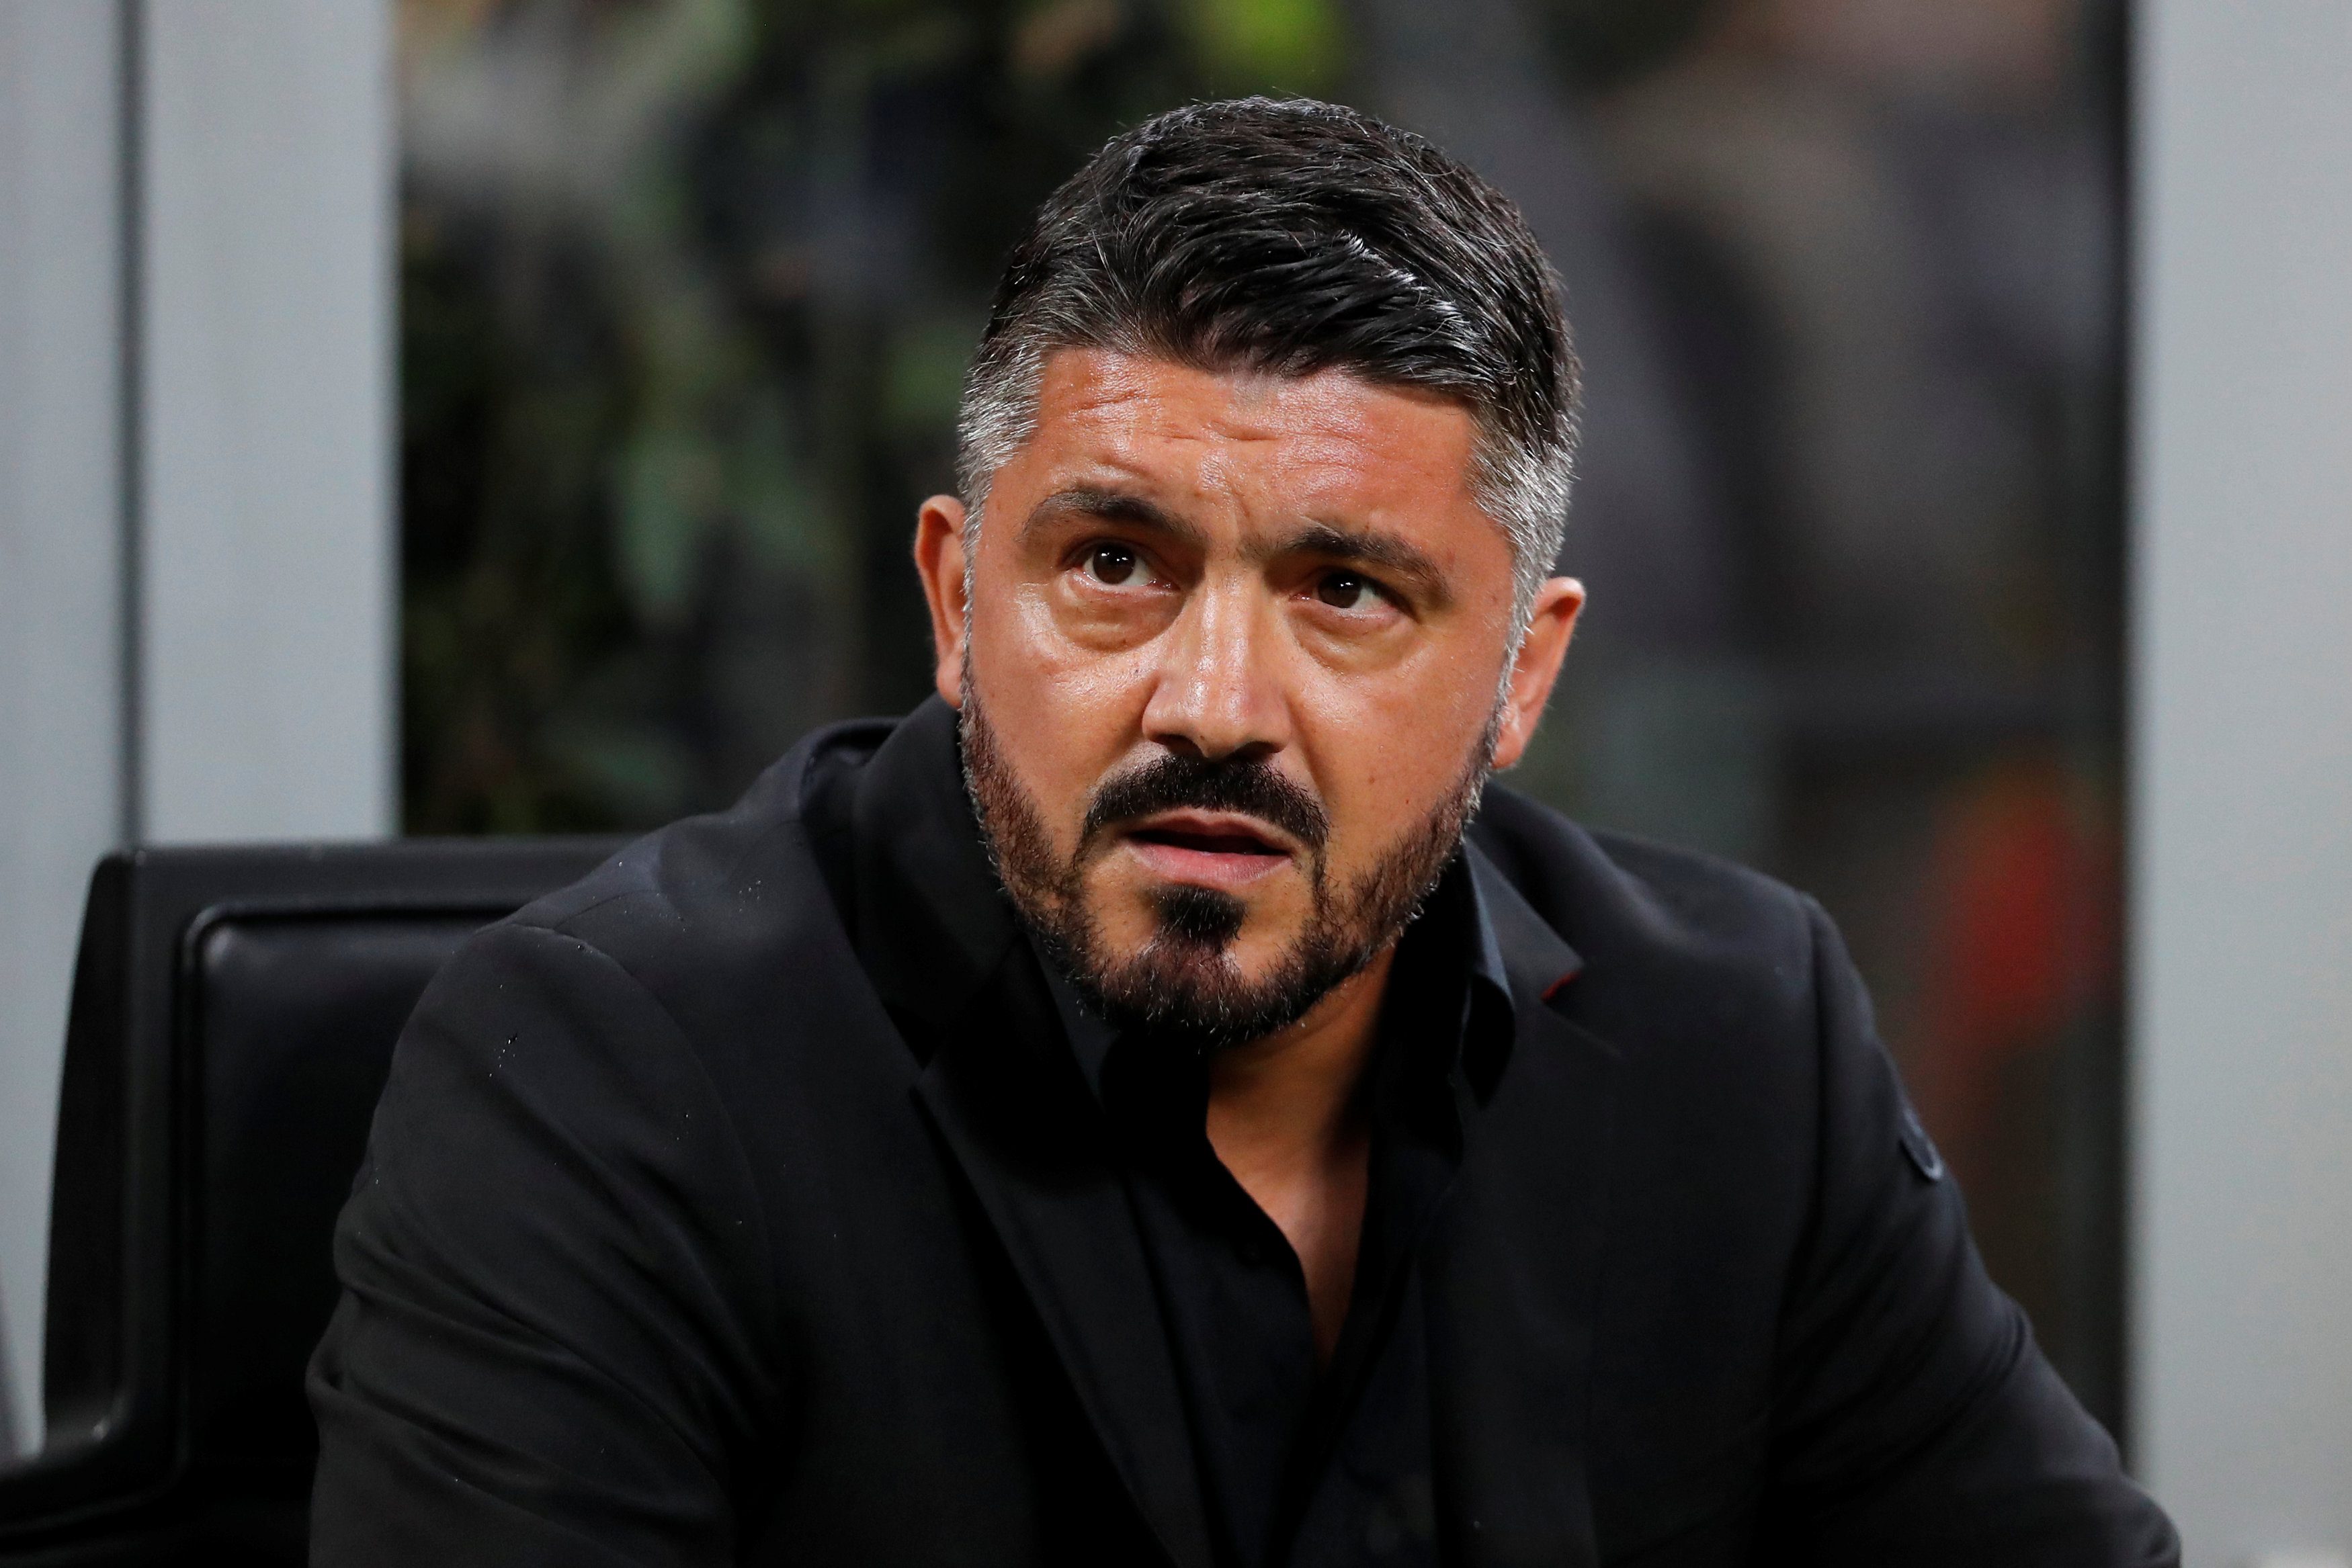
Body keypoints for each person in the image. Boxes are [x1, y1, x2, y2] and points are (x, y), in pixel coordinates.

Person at [308, 97, 2177, 1567]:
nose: (1213, 701)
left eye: (1346, 591)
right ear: (956, 603)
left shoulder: (1737, 1041)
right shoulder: (610, 1077)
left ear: (1520, 676)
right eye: (1114, 565)